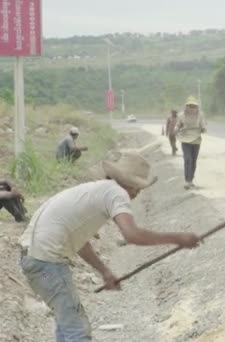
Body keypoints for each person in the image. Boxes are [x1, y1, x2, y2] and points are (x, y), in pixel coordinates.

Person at [18, 150, 200, 341]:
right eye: (137, 187)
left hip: (36, 259)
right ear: (127, 182)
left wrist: (104, 271)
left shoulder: (98, 190)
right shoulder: (116, 193)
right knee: (77, 331)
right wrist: (178, 238)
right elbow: (132, 234)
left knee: (67, 325)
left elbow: (79, 242)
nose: (137, 193)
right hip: (46, 263)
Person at [174, 96, 207, 190]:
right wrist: (176, 129)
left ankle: (191, 180)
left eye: (194, 106)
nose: (192, 108)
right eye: (190, 106)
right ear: (186, 106)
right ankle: (187, 181)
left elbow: (203, 124)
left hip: (196, 139)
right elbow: (178, 125)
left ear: (196, 107)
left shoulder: (200, 115)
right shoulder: (181, 115)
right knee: (187, 159)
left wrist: (204, 128)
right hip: (185, 139)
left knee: (193, 160)